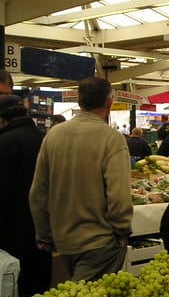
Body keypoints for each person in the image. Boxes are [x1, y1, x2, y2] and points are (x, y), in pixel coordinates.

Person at [29, 77, 133, 282]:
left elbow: (38, 192)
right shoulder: (112, 139)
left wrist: (44, 234)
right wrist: (122, 231)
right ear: (109, 102)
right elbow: (119, 195)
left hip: (64, 241)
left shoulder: (53, 135)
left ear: (79, 101)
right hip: (100, 242)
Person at [0, 95, 51, 297]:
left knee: (14, 290)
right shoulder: (45, 139)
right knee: (39, 292)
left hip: (12, 232)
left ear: (2, 119)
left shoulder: (4, 143)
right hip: (44, 229)